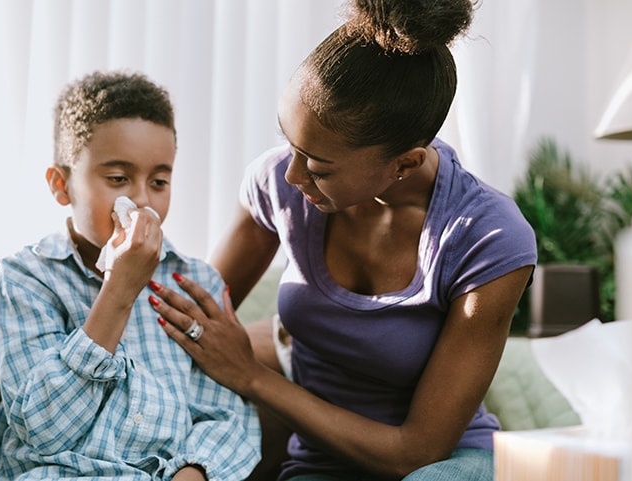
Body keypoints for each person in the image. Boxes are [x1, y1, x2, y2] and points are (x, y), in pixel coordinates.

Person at [147, 0, 537, 480]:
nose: (292, 174)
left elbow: (417, 452)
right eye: (289, 144)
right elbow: (187, 318)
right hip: (322, 463)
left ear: (405, 164)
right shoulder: (278, 184)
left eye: (318, 167)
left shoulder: (488, 237)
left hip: (443, 465)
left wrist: (252, 376)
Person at [0, 70, 261, 481]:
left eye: (159, 180)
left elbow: (228, 415)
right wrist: (120, 290)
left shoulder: (195, 284)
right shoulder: (25, 281)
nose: (142, 199)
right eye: (118, 179)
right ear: (61, 185)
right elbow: (44, 432)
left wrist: (194, 473)